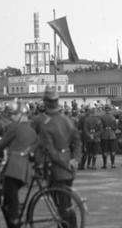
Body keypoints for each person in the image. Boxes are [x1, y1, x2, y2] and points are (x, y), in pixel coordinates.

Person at [0, 101, 39, 228]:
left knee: (10, 199)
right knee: (6, 196)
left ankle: (14, 222)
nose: (12, 117)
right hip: (25, 170)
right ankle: (14, 217)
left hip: (15, 169)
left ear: (20, 115)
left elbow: (0, 146)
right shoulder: (30, 129)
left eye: (14, 115)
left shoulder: (15, 127)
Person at [35, 86, 82, 227]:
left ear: (46, 102)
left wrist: (64, 163)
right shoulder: (67, 120)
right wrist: (75, 160)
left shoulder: (45, 123)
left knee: (62, 206)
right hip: (69, 168)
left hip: (56, 169)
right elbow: (77, 142)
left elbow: (51, 151)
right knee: (66, 203)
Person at [99, 105, 118, 169]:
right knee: (112, 150)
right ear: (109, 110)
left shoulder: (102, 117)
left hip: (104, 135)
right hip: (112, 135)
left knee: (104, 150)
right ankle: (113, 164)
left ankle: (105, 164)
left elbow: (100, 127)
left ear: (105, 110)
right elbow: (115, 127)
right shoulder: (113, 117)